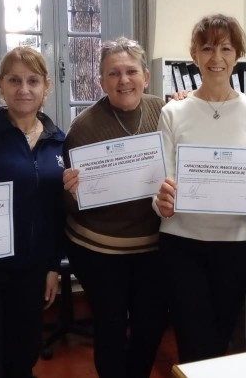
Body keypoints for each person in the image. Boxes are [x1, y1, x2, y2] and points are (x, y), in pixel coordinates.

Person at [154, 14, 246, 363]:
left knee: (221, 338)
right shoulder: (173, 111)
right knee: (192, 341)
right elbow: (162, 184)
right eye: (207, 48)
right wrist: (162, 202)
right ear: (194, 55)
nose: (216, 58)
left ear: (237, 55)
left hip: (235, 246)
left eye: (226, 48)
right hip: (181, 244)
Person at [62, 37, 169, 378]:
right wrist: (74, 193)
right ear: (101, 80)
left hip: (151, 247)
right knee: (109, 328)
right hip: (98, 249)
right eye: (113, 74)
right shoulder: (84, 128)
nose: (124, 81)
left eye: (131, 71)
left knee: (150, 326)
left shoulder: (165, 112)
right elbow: (67, 202)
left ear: (145, 76)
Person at [0, 46, 66, 378]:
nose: (24, 90)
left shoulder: (59, 142)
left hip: (34, 270)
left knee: (23, 355)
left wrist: (52, 266)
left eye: (33, 81)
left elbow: (58, 211)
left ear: (46, 87)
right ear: (0, 84)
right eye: (14, 80)